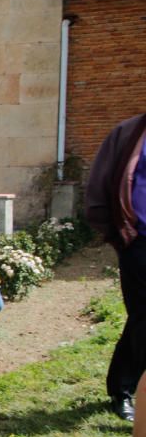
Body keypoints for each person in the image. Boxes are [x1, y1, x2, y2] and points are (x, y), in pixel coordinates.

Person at [86, 112, 146, 421]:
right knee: (142, 319)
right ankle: (122, 389)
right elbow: (100, 184)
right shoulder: (129, 133)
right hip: (138, 243)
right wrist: (118, 236)